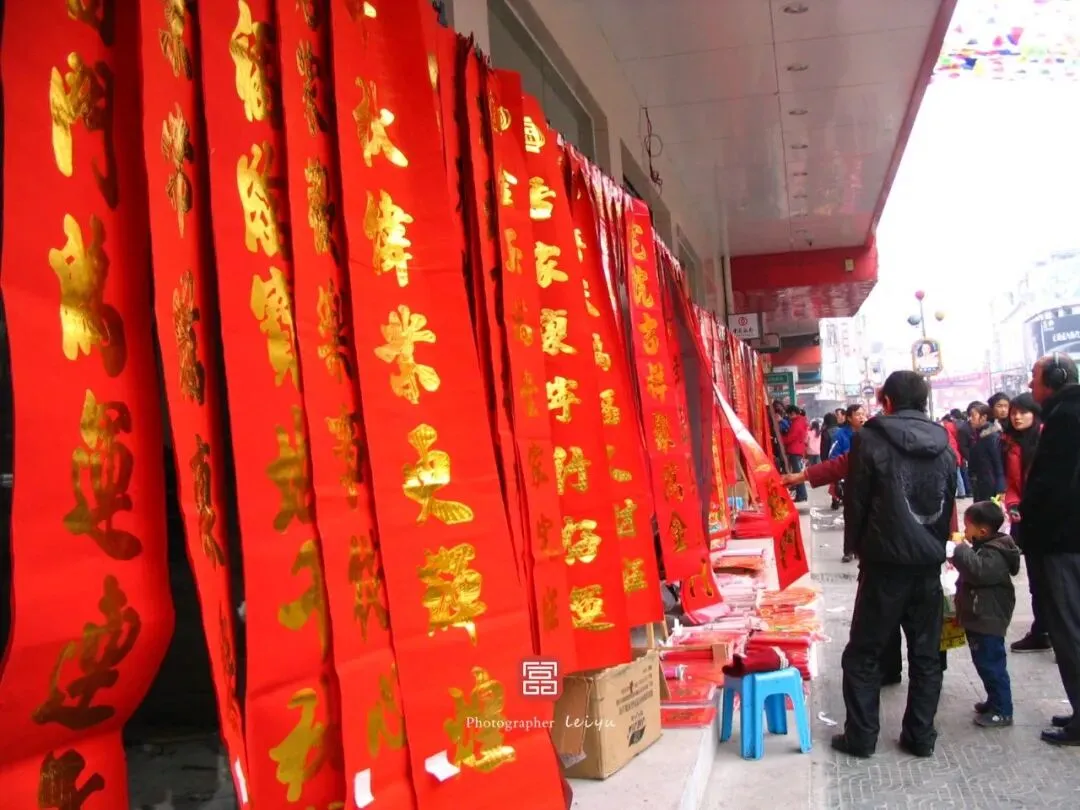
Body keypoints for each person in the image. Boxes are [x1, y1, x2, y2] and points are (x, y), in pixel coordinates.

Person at [832, 371, 956, 759]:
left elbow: (856, 500)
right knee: (926, 655)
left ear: (886, 400)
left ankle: (861, 738)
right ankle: (920, 736)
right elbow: (948, 502)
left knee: (863, 654)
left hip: (884, 563)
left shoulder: (870, 439)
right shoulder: (944, 443)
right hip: (927, 563)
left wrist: (855, 547)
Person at [1017, 352, 1080, 746]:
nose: (1030, 385)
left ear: (1054, 379)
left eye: (1035, 377)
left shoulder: (1065, 419)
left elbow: (1053, 487)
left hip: (1063, 543)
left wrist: (1030, 521)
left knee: (1069, 631)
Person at [952, 501, 1020, 728]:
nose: (964, 530)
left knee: (992, 665)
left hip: (988, 619)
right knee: (984, 663)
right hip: (980, 617)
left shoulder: (994, 553)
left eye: (967, 526)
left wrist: (960, 550)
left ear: (982, 531)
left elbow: (978, 572)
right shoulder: (985, 546)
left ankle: (1002, 710)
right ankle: (994, 700)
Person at [1002, 393, 1049, 654]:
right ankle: (1042, 630)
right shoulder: (1010, 442)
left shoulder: (1047, 437)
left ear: (1035, 413)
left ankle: (1063, 635)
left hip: (1051, 516)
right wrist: (1013, 504)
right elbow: (1012, 483)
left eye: (1023, 412)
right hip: (1026, 518)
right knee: (1037, 579)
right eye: (1014, 412)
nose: (1017, 417)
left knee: (1057, 578)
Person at [967, 402, 1005, 502]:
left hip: (990, 487)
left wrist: (1001, 488)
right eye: (969, 416)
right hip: (980, 484)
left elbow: (998, 464)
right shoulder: (978, 435)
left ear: (983, 417)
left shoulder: (992, 437)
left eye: (973, 416)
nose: (970, 419)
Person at [782, 405, 809, 502]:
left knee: (797, 475)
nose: (788, 417)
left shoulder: (796, 423)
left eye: (789, 415)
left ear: (793, 413)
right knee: (797, 474)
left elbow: (791, 437)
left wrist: (781, 439)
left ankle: (801, 495)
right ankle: (801, 494)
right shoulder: (801, 421)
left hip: (794, 450)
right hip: (798, 450)